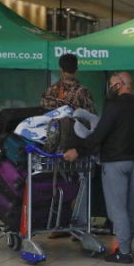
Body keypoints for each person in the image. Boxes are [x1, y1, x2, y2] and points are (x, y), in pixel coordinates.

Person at [64, 72, 134, 264]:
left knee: (117, 209)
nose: (110, 88)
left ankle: (124, 252)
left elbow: (100, 133)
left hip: (115, 161)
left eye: (112, 84)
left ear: (120, 85)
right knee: (129, 207)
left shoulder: (114, 105)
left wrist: (78, 150)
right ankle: (127, 246)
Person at [40, 53, 97, 239]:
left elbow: (42, 118)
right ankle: (76, 226)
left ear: (61, 69)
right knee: (79, 185)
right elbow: (91, 119)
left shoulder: (50, 91)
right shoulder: (83, 92)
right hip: (76, 148)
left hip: (53, 148)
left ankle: (56, 225)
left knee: (56, 183)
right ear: (77, 69)